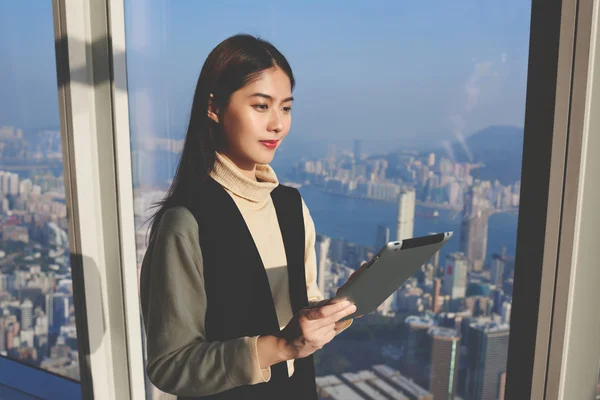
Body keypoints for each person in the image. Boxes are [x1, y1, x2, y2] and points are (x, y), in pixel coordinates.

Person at [139, 34, 357, 400]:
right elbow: (169, 364)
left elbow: (303, 309)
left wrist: (345, 304)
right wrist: (281, 347)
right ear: (214, 107)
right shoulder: (186, 221)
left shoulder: (290, 206)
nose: (277, 124)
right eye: (261, 106)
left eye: (286, 108)